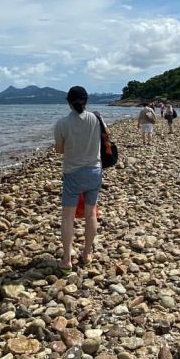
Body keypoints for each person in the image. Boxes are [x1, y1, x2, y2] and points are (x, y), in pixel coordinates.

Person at [54, 86, 102, 271]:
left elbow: (59, 150)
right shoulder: (96, 119)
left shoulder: (62, 123)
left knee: (68, 217)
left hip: (73, 173)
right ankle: (87, 254)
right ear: (86, 101)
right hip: (94, 171)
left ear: (68, 103)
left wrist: (73, 147)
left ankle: (67, 260)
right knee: (91, 214)